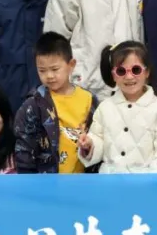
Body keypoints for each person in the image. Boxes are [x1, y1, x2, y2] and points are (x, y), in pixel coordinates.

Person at [78, 42, 157, 173]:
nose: (129, 77)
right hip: (109, 181)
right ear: (113, 75)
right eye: (121, 71)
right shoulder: (105, 107)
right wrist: (89, 145)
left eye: (136, 70)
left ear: (147, 72)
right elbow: (98, 139)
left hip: (146, 183)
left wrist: (151, 183)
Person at [13, 32, 98, 174]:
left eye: (55, 69)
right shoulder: (33, 105)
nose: (49, 76)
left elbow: (99, 139)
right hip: (46, 182)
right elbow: (24, 149)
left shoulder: (89, 99)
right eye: (42, 70)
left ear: (71, 65)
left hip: (83, 180)